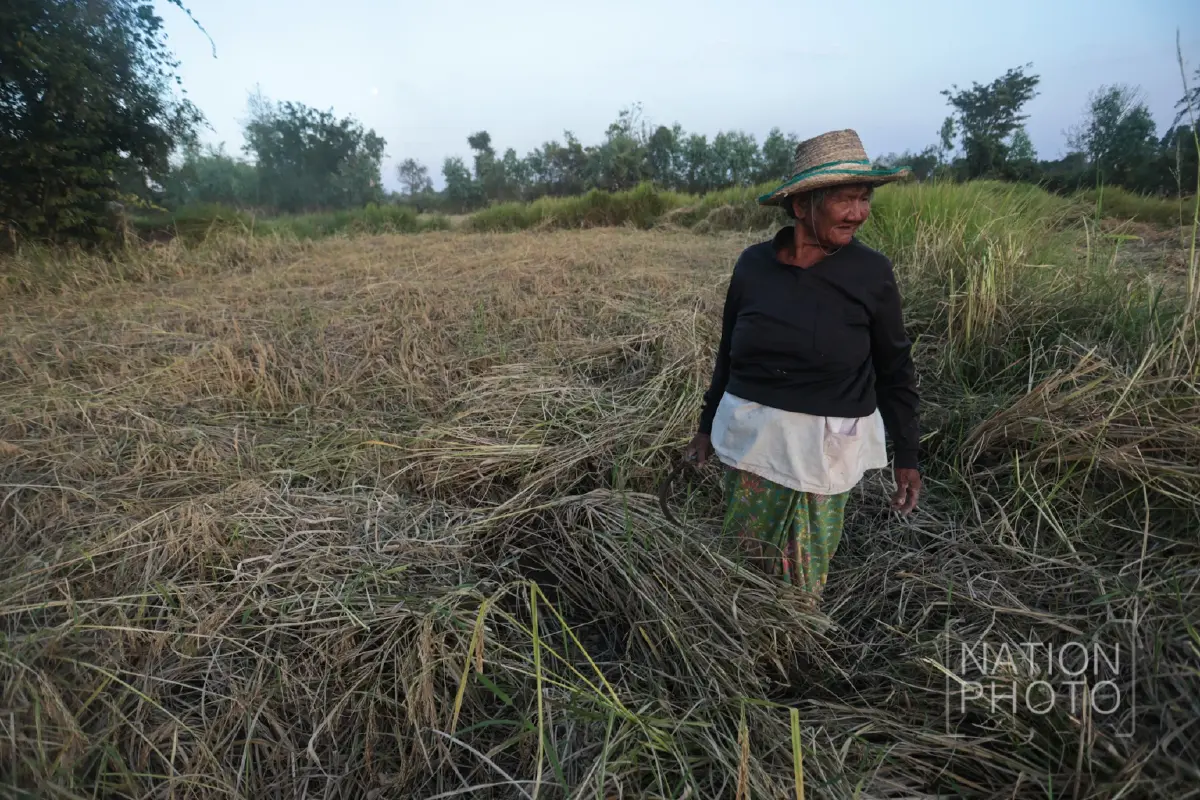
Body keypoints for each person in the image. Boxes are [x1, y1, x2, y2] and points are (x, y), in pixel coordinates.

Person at [684, 129, 921, 595]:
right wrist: (706, 426)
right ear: (800, 206)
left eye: (865, 197)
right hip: (752, 440)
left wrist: (908, 455)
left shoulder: (871, 273)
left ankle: (790, 643)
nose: (858, 213)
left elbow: (895, 367)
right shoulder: (753, 266)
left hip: (824, 450)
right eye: (845, 199)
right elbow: (728, 351)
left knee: (800, 582)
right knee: (745, 565)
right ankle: (742, 635)